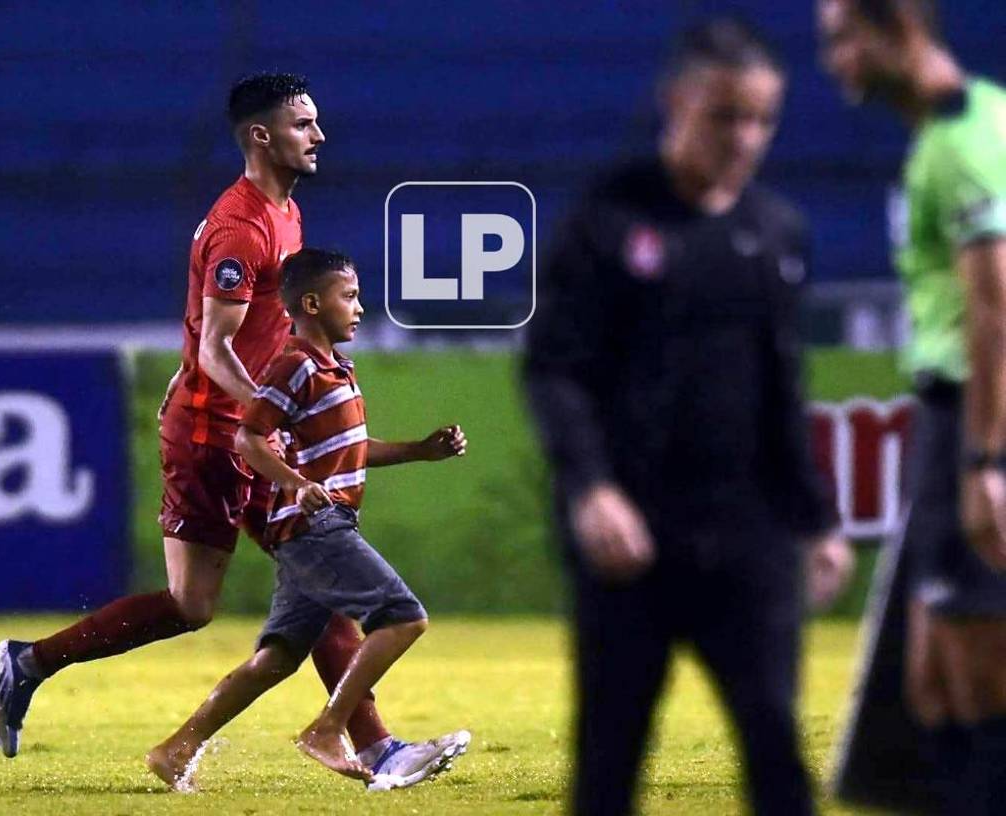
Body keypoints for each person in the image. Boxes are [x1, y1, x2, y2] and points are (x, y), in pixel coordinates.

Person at [0, 73, 468, 785]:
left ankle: (30, 664)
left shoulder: (285, 214)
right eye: (303, 124)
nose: (319, 135)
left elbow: (249, 336)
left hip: (227, 429)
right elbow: (216, 348)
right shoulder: (241, 226)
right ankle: (372, 746)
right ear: (261, 136)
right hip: (219, 438)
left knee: (236, 593)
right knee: (295, 574)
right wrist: (272, 414)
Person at [524, 18, 854, 816]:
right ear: (676, 102)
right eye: (725, 116)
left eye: (761, 119)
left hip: (750, 539)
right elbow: (555, 370)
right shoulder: (608, 220)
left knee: (778, 753)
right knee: (609, 764)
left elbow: (783, 388)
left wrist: (816, 520)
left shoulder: (776, 231)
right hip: (631, 541)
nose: (744, 138)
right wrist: (592, 489)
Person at [146, 248, 470, 790]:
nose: (360, 308)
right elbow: (248, 437)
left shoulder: (334, 367)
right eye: (350, 296)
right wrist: (298, 484)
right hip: (315, 527)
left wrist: (420, 450)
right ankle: (328, 728)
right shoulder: (295, 364)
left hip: (310, 529)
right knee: (403, 617)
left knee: (277, 658)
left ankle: (174, 750)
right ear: (313, 304)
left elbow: (350, 448)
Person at [819, 2, 1006, 812]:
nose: (834, 59)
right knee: (928, 684)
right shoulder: (960, 126)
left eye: (842, 38)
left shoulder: (962, 140)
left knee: (974, 677)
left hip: (974, 413)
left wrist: (986, 460)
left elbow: (994, 307)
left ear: (896, 27)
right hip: (952, 414)